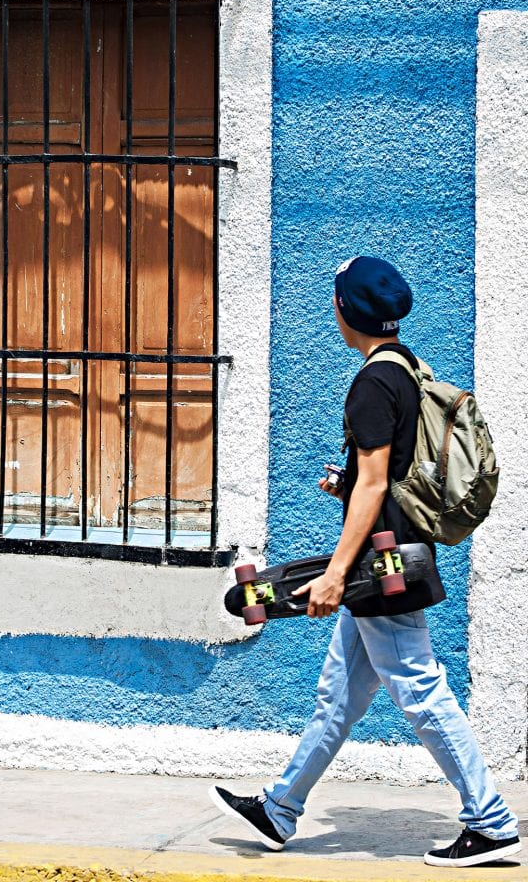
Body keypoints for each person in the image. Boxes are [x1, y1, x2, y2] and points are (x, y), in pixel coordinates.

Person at [210, 256, 522, 868]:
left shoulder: (374, 384)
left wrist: (333, 573)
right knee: (339, 695)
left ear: (345, 310)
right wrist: (347, 483)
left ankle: (491, 823)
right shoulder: (405, 369)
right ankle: (280, 810)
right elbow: (380, 475)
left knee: (421, 691)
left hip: (382, 567)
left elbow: (377, 486)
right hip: (389, 558)